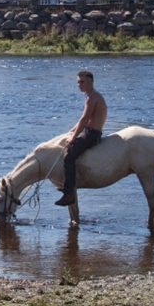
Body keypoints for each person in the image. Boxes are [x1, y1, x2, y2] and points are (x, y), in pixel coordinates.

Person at [54, 70, 108, 207]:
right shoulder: (91, 96)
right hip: (89, 131)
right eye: (78, 82)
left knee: (69, 157)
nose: (79, 84)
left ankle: (69, 193)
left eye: (82, 82)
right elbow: (82, 120)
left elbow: (85, 120)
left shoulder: (92, 97)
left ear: (90, 82)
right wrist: (70, 132)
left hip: (92, 134)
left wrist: (73, 139)